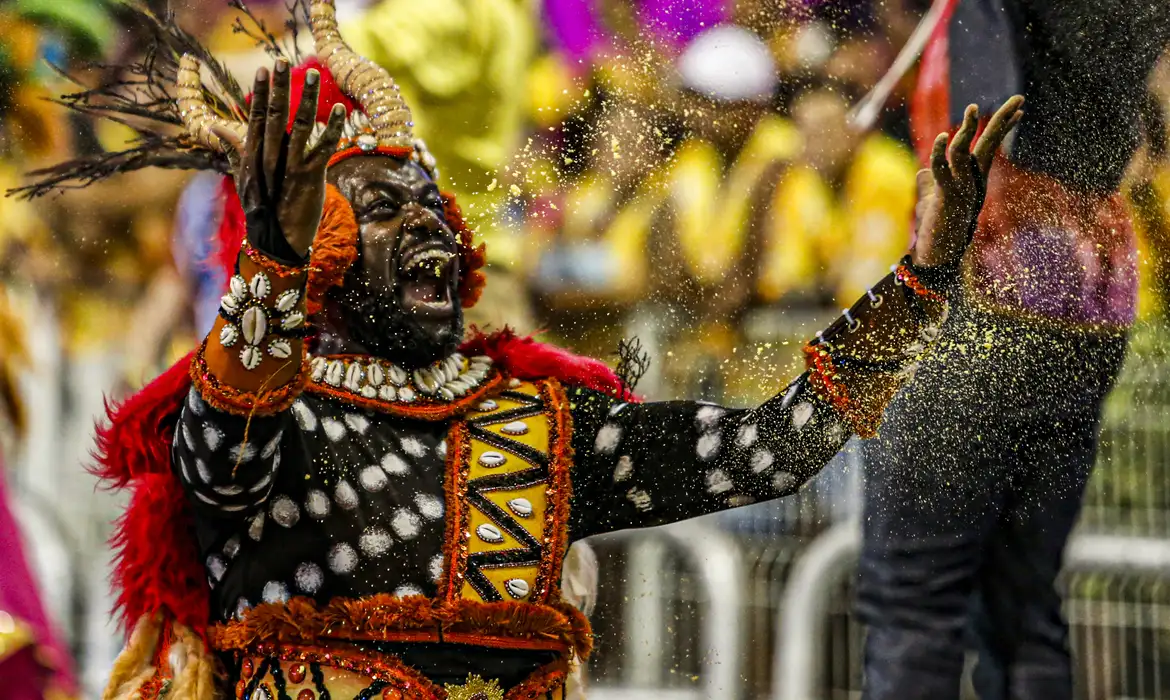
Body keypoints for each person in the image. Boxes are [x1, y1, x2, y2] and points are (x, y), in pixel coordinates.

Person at [16, 1, 1020, 697]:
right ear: (317, 251)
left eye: (430, 203)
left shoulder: (539, 416)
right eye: (382, 207)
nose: (426, 222)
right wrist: (270, 267)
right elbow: (219, 455)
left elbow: (773, 447)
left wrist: (924, 278)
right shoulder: (274, 422)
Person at [856, 1, 1170, 699]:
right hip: (1094, 280)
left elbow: (985, 112)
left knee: (914, 593)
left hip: (994, 268)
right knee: (1022, 605)